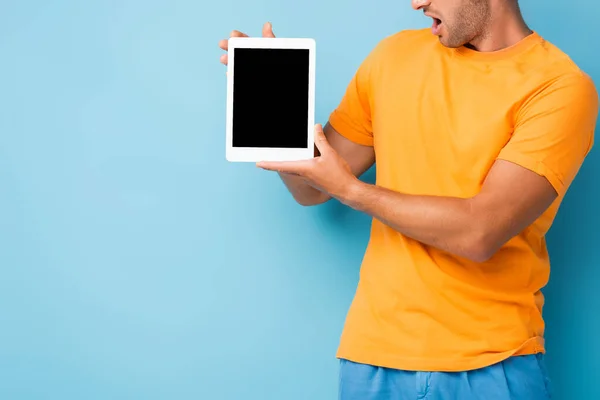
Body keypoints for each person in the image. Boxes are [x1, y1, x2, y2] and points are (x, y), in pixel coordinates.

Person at [219, 0, 599, 398]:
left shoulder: (559, 87)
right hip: (373, 358)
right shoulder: (393, 57)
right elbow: (312, 188)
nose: (417, 2)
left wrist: (353, 190)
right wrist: (278, 112)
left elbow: (479, 231)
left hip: (492, 363)